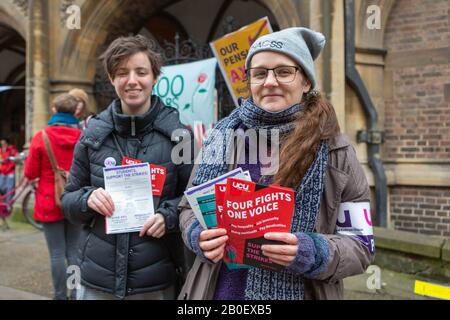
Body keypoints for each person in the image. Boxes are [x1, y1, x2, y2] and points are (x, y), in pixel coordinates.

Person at [178, 27, 375, 300]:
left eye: (284, 72)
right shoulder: (221, 137)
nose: (270, 81)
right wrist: (197, 235)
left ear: (306, 81)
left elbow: (360, 245)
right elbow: (189, 208)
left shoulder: (336, 151)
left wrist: (311, 251)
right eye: (260, 73)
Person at [61, 35, 193, 300]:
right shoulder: (91, 135)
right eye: (122, 73)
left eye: (141, 72)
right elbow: (68, 202)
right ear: (112, 78)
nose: (132, 80)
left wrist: (167, 217)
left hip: (154, 281)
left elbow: (193, 201)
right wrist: (87, 199)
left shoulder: (180, 137)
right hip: (97, 280)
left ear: (154, 77)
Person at [24, 93, 82, 300]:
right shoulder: (81, 137)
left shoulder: (42, 136)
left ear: (54, 111)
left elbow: (30, 173)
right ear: (76, 111)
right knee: (74, 252)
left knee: (57, 254)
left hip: (49, 201)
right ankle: (75, 294)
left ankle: (59, 295)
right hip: (74, 200)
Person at [0, 136, 18, 202]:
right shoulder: (0, 150)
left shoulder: (11, 149)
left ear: (7, 143)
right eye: (1, 144)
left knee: (9, 188)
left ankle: (8, 204)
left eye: (4, 143)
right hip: (3, 171)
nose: (3, 145)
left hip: (10, 172)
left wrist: (15, 158)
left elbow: (17, 156)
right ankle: (3, 201)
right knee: (1, 187)